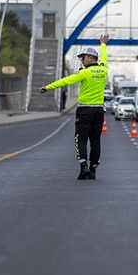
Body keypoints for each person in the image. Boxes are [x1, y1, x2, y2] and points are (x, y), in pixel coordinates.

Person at [41, 34, 110, 180]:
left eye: (83, 57)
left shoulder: (84, 73)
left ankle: (83, 166)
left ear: (90, 58)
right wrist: (103, 44)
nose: (82, 60)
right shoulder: (104, 70)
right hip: (99, 110)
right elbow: (104, 57)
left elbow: (66, 81)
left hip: (85, 110)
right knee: (95, 140)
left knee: (81, 139)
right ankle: (93, 169)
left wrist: (48, 87)